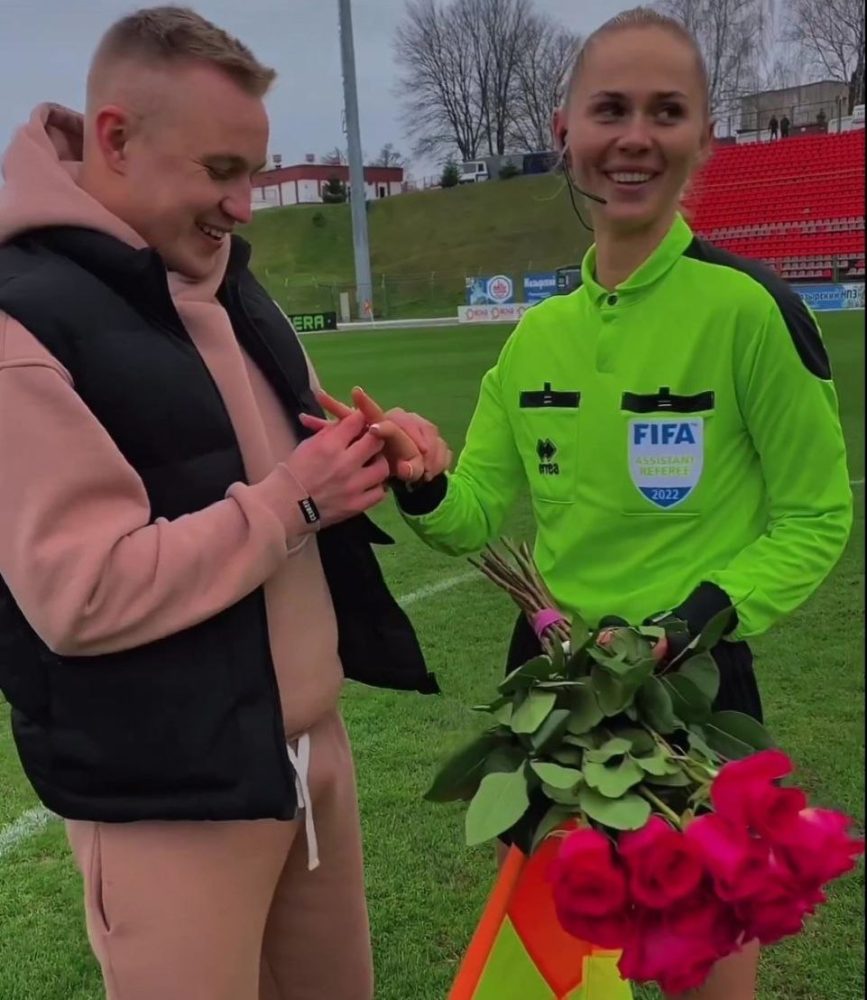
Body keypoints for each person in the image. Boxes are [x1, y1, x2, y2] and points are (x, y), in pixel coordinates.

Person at [309, 7, 853, 1000]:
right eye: (610, 109)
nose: (634, 136)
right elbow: (477, 512)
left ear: (704, 137)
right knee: (557, 977)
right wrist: (422, 480)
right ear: (566, 131)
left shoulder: (750, 311)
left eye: (665, 111)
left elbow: (816, 515)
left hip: (694, 689)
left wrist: (687, 625)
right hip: (551, 696)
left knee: (703, 975)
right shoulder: (535, 338)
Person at [0, 6, 436, 1000]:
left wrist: (379, 450)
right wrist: (293, 503)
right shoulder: (22, 319)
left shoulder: (231, 282)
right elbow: (80, 593)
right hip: (166, 797)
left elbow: (301, 462)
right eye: (221, 171)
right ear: (116, 138)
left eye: (254, 172)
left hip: (308, 758)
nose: (244, 206)